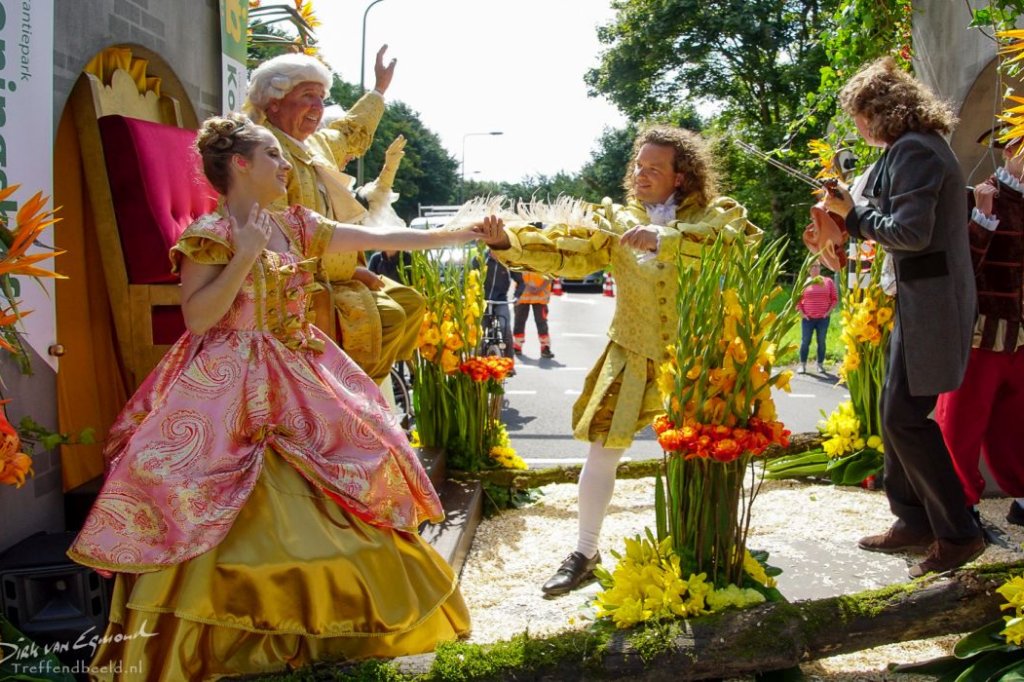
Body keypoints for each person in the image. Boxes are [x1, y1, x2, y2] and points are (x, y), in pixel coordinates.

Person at [66, 113, 497, 678]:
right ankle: (222, 643)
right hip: (227, 378)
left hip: (299, 366)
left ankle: (324, 623)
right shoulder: (210, 234)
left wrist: (462, 233)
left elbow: (379, 236)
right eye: (272, 154)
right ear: (240, 165)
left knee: (354, 461)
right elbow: (198, 320)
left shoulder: (296, 223)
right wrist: (244, 253)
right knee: (209, 492)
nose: (284, 165)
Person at [477, 125, 761, 596]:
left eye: (654, 168)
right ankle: (585, 551)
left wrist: (662, 238)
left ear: (682, 177)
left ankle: (707, 549)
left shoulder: (719, 214)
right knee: (603, 450)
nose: (642, 174)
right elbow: (570, 256)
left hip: (702, 356)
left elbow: (730, 247)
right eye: (638, 166)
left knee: (707, 456)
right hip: (632, 348)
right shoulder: (614, 218)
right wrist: (508, 243)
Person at [822, 57, 985, 577]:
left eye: (859, 116)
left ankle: (959, 534)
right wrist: (851, 208)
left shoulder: (915, 149)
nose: (858, 128)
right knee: (897, 417)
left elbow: (909, 233)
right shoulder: (914, 147)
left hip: (933, 306)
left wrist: (853, 215)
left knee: (904, 418)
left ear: (880, 112)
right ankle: (913, 519)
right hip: (922, 302)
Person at [244, 47, 426, 388]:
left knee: (411, 302)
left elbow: (349, 131)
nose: (317, 108)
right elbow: (277, 238)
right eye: (307, 97)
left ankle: (368, 391)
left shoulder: (315, 144)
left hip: (341, 277)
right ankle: (352, 399)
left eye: (322, 98)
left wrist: (378, 90)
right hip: (302, 285)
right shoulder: (266, 152)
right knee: (390, 317)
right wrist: (351, 269)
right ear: (274, 103)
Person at [935, 129, 1024, 526]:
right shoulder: (978, 197)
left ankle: (1021, 500)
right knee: (961, 424)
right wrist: (982, 221)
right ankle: (961, 509)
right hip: (980, 336)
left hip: (1020, 340)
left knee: (1015, 425)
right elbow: (959, 271)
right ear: (1011, 151)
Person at [796, 261, 837, 374]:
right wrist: (802, 313)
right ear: (808, 268)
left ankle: (820, 365)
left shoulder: (828, 281)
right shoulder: (804, 282)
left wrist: (828, 312)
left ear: (820, 268)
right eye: (813, 266)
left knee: (821, 341)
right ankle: (802, 365)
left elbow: (834, 298)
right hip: (807, 319)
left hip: (823, 319)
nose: (815, 268)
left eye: (818, 266)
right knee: (805, 342)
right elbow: (797, 299)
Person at [513, 271, 555, 359]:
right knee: (519, 321)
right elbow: (515, 273)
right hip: (522, 294)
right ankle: (517, 345)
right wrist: (527, 286)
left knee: (541, 322)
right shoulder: (521, 258)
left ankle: (545, 347)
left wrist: (540, 288)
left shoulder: (546, 258)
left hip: (540, 295)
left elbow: (551, 274)